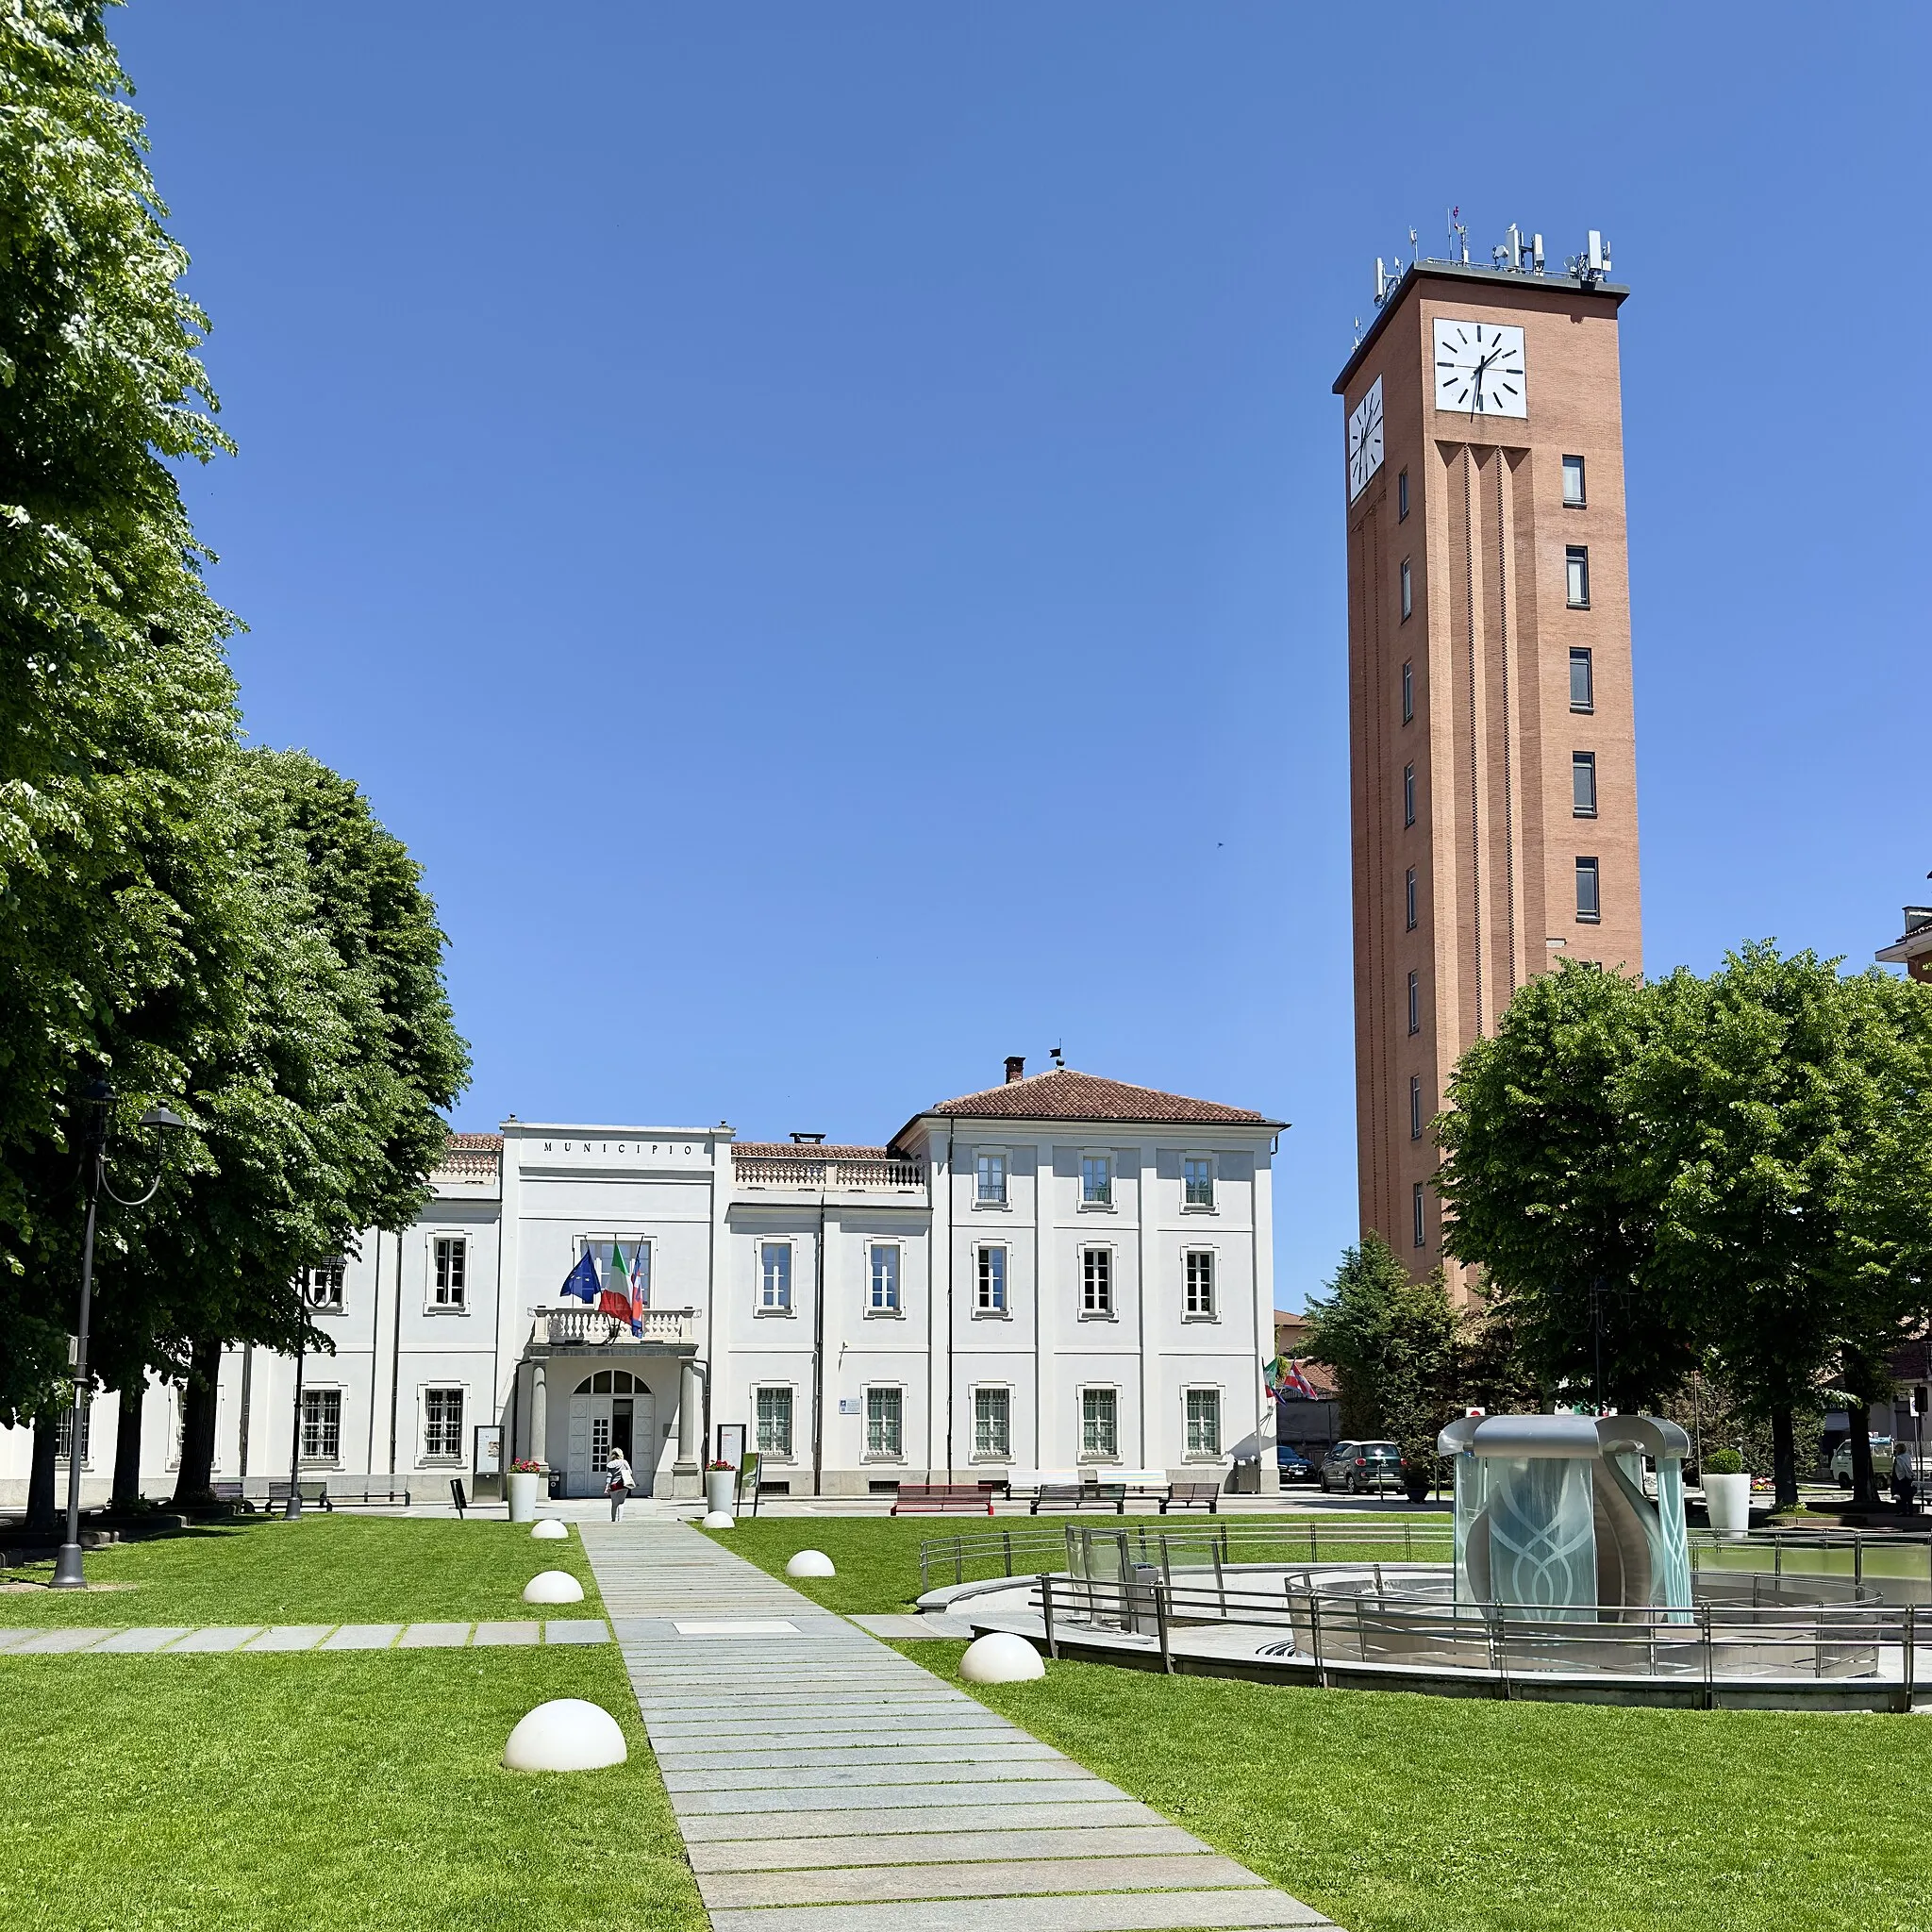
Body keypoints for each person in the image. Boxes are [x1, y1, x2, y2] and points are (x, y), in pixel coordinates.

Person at [606, 1447, 635, 1523]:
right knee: (621, 1503)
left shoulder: (610, 1464)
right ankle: (620, 1520)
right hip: (624, 1484)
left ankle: (613, 1520)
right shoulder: (624, 1462)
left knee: (614, 1504)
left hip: (614, 1485)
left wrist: (606, 1487)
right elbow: (630, 1472)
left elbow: (609, 1476)